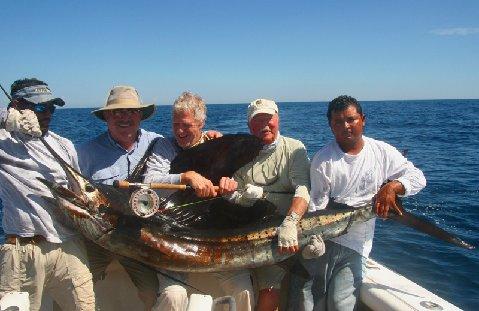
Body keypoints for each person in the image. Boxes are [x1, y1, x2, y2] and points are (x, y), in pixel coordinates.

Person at [288, 95, 427, 311]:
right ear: (330, 126)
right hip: (323, 241)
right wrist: (313, 240)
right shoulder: (323, 159)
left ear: (363, 119)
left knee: (340, 303)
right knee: (307, 299)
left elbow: (418, 177)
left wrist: (392, 187)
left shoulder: (381, 151)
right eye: (338, 122)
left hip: (357, 245)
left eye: (351, 119)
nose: (346, 126)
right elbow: (317, 208)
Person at [77, 85, 188, 310]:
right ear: (106, 116)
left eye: (131, 111)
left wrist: (209, 136)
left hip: (140, 240)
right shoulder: (86, 153)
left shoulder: (159, 143)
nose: (124, 117)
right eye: (117, 112)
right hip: (99, 238)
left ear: (140, 115)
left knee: (152, 293)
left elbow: (190, 143)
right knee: (74, 286)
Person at [144, 91, 255, 311]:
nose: (179, 131)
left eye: (186, 125)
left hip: (212, 236)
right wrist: (186, 176)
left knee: (243, 289)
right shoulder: (165, 146)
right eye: (175, 124)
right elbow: (149, 181)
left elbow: (238, 189)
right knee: (173, 295)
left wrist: (230, 188)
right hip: (173, 236)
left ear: (201, 123)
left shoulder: (218, 144)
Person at [0, 78, 95, 310]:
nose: (47, 114)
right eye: (40, 107)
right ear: (17, 105)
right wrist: (6, 118)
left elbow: (79, 193)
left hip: (69, 247)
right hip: (24, 251)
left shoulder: (64, 145)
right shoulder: (3, 142)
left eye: (51, 107)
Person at [219, 98, 311, 311]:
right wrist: (233, 196)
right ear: (249, 126)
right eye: (258, 121)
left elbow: (303, 189)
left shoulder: (294, 149)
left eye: (269, 119)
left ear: (278, 119)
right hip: (244, 230)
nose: (264, 126)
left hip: (281, 233)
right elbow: (236, 198)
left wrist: (291, 221)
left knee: (270, 287)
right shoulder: (240, 154)